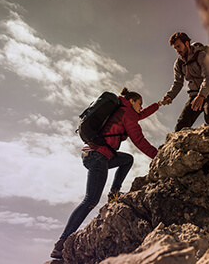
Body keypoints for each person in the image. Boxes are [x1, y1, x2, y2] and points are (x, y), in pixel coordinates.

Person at [50, 87, 165, 259]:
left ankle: (114, 193)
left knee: (127, 159)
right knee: (91, 200)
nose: (141, 107)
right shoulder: (127, 113)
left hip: (92, 153)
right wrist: (158, 156)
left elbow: (139, 115)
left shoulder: (122, 109)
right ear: (131, 101)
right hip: (99, 156)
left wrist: (158, 104)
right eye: (140, 104)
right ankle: (61, 243)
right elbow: (139, 140)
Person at [162, 31, 209, 132]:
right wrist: (170, 96)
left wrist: (202, 95)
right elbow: (178, 82)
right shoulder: (179, 64)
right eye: (175, 48)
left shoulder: (201, 56)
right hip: (194, 96)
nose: (177, 50)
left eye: (178, 46)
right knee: (180, 126)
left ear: (187, 44)